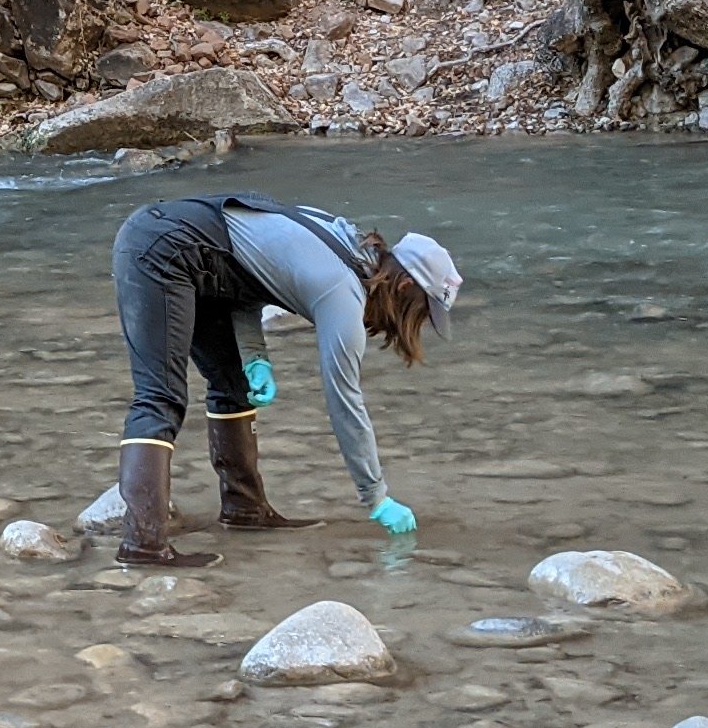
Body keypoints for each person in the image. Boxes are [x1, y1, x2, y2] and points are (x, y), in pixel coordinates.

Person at [103, 194, 461, 568]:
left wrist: (255, 358)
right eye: (422, 313)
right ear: (404, 289)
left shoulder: (343, 243)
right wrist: (377, 497)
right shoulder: (341, 290)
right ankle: (144, 544)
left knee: (234, 387)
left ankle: (245, 510)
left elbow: (247, 271)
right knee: (160, 397)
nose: (416, 326)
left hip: (194, 257)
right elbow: (345, 400)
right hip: (164, 250)